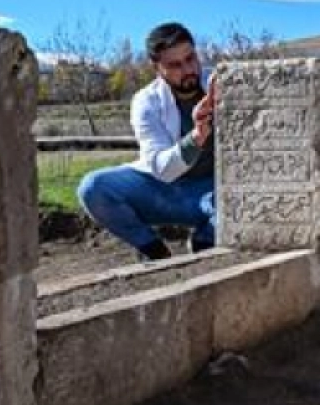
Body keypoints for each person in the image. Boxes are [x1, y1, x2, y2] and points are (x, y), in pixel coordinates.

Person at [77, 22, 216, 262]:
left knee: (245, 205)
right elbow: (162, 169)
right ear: (157, 68)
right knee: (94, 188)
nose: (188, 69)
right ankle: (154, 251)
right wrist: (197, 136)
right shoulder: (146, 101)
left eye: (191, 58)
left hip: (212, 191)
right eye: (175, 65)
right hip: (162, 190)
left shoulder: (221, 85)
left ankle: (204, 242)